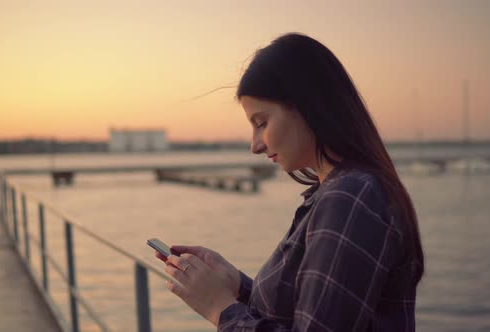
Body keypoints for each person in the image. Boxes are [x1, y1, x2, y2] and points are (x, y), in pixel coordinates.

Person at [154, 32, 425, 331]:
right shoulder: (335, 192)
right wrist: (238, 286)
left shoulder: (349, 196)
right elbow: (305, 309)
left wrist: (221, 309)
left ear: (308, 106)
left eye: (261, 123)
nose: (255, 146)